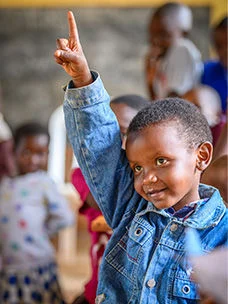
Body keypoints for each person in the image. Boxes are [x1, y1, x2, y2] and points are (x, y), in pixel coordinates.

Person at [54, 11, 227, 304]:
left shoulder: (221, 233)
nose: (146, 178)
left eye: (161, 161)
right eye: (136, 167)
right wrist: (83, 80)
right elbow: (98, 148)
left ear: (201, 156)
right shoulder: (129, 207)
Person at [71, 94, 150, 304]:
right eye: (106, 134)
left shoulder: (152, 184)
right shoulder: (82, 176)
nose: (112, 144)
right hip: (95, 289)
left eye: (124, 134)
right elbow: (105, 197)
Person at [0, 121, 74, 304]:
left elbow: (65, 217)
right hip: (9, 267)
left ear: (47, 154)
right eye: (26, 153)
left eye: (40, 154)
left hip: (37, 264)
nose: (33, 160)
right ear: (14, 152)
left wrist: (42, 232)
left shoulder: (44, 183)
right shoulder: (5, 184)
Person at [145, 2, 203, 100]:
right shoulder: (165, 58)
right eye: (152, 35)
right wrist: (150, 79)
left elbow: (173, 102)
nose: (156, 40)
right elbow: (156, 101)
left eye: (163, 35)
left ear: (184, 33)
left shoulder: (181, 49)